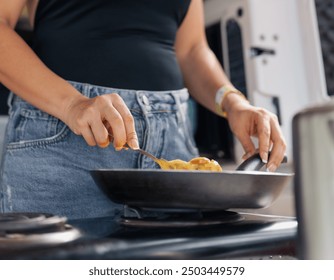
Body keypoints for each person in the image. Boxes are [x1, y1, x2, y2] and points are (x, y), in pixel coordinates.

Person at [0, 0, 286, 219]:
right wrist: (72, 104)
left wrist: (234, 102)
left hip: (172, 143)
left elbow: (191, 49)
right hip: (64, 141)